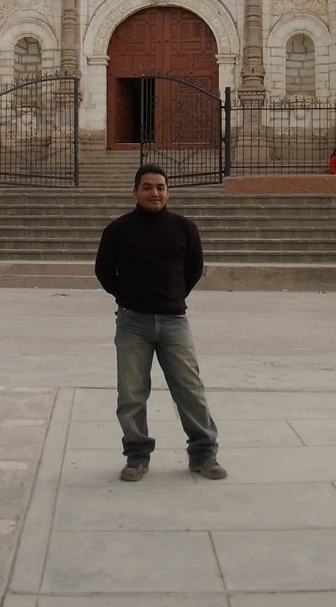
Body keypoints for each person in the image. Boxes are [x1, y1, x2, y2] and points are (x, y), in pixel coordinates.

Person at [94, 163, 227, 482]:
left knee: (190, 389)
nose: (155, 193)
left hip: (174, 321)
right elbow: (103, 271)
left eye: (161, 187)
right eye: (148, 187)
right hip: (132, 322)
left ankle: (204, 454)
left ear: (168, 191)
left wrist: (173, 296)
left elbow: (193, 270)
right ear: (136, 191)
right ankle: (137, 455)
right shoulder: (118, 230)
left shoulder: (185, 228)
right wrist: (127, 296)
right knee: (131, 393)